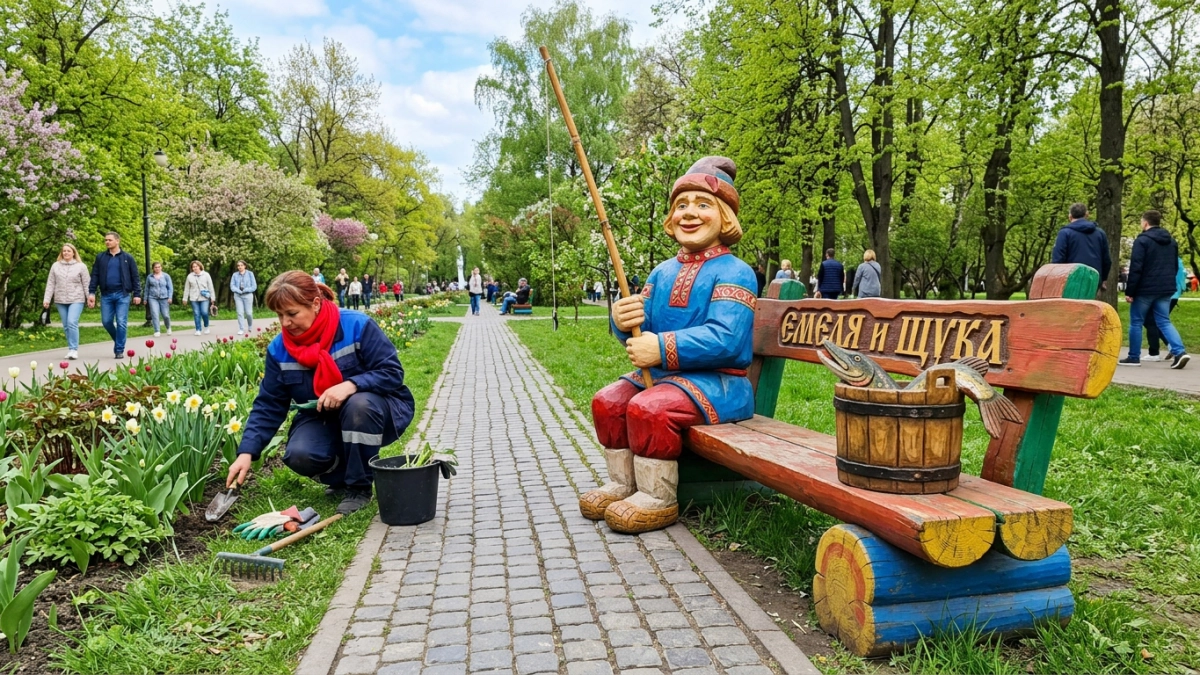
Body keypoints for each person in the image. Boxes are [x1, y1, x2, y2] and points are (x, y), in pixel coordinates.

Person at [580, 156, 757, 535]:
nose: (689, 213)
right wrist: (622, 320)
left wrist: (661, 348)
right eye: (681, 205)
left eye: (703, 205)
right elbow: (640, 328)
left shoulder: (735, 272)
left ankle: (656, 495)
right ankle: (622, 483)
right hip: (665, 376)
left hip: (720, 383)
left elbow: (727, 339)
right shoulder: (662, 272)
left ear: (725, 216)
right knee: (608, 403)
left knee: (650, 409)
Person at [226, 271, 416, 515]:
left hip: (377, 408)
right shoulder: (279, 350)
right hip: (320, 415)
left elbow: (391, 372)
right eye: (280, 315)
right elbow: (269, 404)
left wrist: (351, 385)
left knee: (359, 406)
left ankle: (359, 487)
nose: (285, 322)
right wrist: (247, 452)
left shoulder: (356, 326)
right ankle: (342, 477)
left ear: (315, 304)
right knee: (300, 455)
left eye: (292, 313)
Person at [1120, 210, 1188, 369]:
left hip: (1145, 289)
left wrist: (1130, 291)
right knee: (1164, 321)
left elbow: (1136, 267)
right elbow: (1174, 266)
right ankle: (1180, 352)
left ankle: (1133, 357)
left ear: (1145, 223)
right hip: (1165, 288)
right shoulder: (1171, 242)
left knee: (1136, 322)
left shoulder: (1142, 241)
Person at [87, 231, 142, 359]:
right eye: (106, 240)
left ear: (117, 241)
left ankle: (119, 350)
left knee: (121, 322)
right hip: (106, 294)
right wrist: (92, 292)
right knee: (106, 321)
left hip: (122, 294)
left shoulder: (127, 258)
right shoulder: (101, 257)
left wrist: (137, 294)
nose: (107, 242)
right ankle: (119, 340)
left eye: (110, 240)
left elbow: (135, 277)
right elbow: (95, 275)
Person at [1051, 202, 1112, 294]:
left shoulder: (1065, 233)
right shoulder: (1100, 233)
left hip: (1070, 278)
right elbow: (1106, 260)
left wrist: (1056, 279)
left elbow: (1058, 258)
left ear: (1070, 216)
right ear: (1086, 214)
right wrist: (1103, 279)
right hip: (1093, 278)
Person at [43, 243, 90, 359]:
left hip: (76, 299)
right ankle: (70, 348)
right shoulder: (55, 266)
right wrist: (47, 299)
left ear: (73, 253)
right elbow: (50, 283)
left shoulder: (81, 266)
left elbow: (86, 284)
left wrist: (90, 298)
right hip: (60, 299)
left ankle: (74, 349)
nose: (66, 253)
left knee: (72, 322)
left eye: (68, 251)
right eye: (64, 251)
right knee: (66, 325)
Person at [1144, 257, 1187, 362]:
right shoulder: (1177, 259)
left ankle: (1154, 353)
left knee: (1151, 321)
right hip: (1173, 294)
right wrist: (1181, 289)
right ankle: (1172, 347)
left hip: (1165, 293)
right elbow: (1183, 275)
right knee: (1160, 322)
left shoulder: (1165, 259)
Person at [182, 261, 215, 336]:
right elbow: (187, 288)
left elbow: (210, 286)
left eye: (196, 266)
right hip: (194, 298)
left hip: (204, 297)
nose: (195, 268)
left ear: (200, 266)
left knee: (204, 312)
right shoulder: (189, 276)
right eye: (193, 267)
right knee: (196, 313)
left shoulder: (206, 275)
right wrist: (185, 298)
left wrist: (212, 297)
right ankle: (198, 329)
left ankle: (206, 326)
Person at [144, 262, 174, 337]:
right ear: (153, 268)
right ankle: (157, 330)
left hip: (164, 298)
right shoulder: (150, 277)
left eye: (159, 267)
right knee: (155, 314)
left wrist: (170, 297)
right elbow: (147, 288)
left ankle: (168, 327)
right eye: (156, 267)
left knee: (165, 315)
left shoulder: (166, 276)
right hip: (152, 298)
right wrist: (145, 299)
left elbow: (170, 288)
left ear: (161, 267)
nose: (157, 268)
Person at [231, 261, 257, 335]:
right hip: (238, 296)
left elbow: (254, 286)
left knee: (249, 313)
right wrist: (238, 291)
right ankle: (241, 328)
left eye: (241, 265)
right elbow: (232, 286)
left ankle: (250, 326)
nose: (240, 267)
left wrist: (246, 290)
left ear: (245, 266)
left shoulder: (250, 274)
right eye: (238, 265)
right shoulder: (235, 275)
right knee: (240, 312)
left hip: (248, 295)